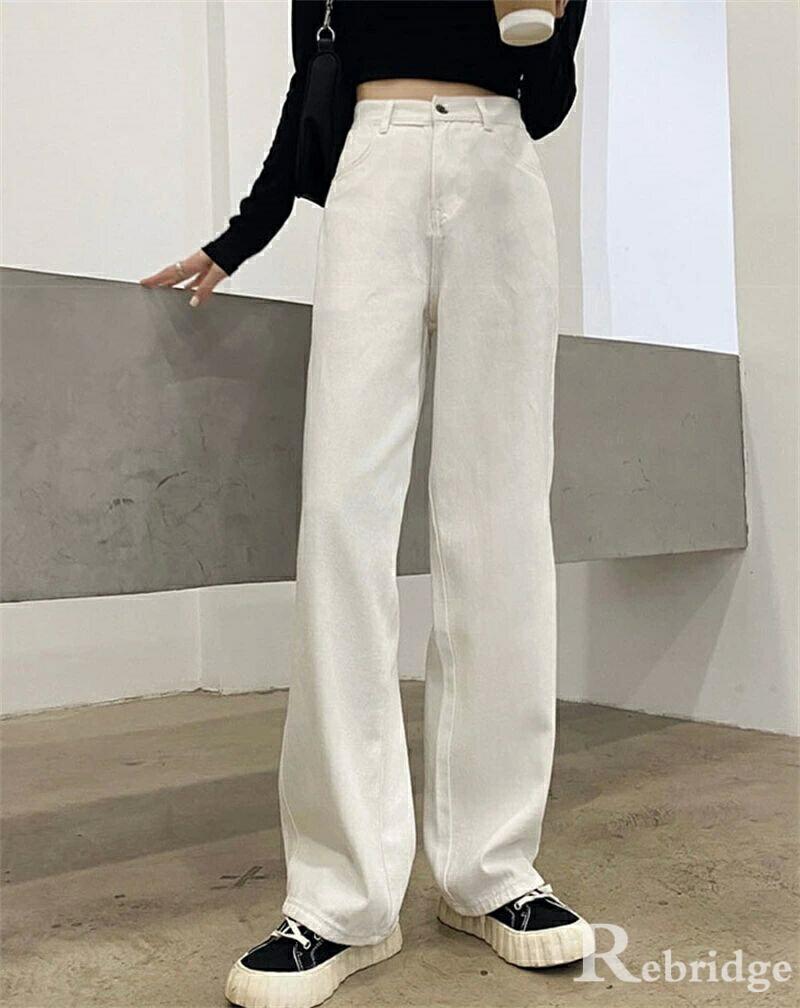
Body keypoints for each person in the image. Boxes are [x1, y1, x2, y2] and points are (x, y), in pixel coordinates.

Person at [141, 3, 590, 1007]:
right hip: (371, 169)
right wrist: (243, 235)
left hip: (499, 170)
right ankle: (341, 901)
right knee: (342, 519)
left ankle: (492, 870)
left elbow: (546, 101)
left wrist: (553, 22)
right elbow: (312, 78)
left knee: (504, 523)